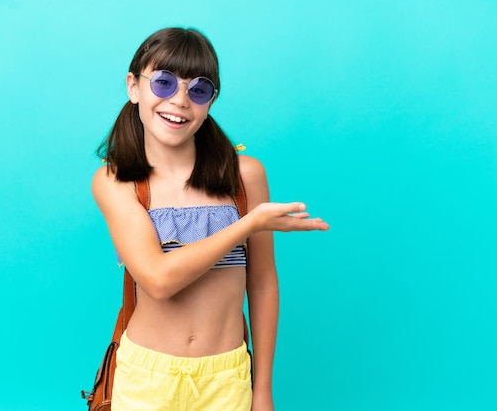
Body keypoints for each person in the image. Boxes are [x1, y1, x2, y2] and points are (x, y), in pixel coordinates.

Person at [92, 27, 329, 411]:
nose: (180, 100)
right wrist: (247, 224)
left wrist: (262, 388)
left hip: (227, 376)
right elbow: (158, 280)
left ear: (210, 101)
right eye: (165, 83)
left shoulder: (245, 175)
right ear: (133, 87)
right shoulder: (116, 181)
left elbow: (264, 284)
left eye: (198, 90)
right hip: (146, 379)